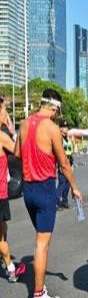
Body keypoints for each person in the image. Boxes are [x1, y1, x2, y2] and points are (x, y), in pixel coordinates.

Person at [14, 89, 83, 298]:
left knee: (40, 240)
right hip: (44, 189)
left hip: (28, 190)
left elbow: (16, 153)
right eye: (57, 112)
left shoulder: (24, 123)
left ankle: (40, 289)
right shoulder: (52, 128)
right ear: (55, 107)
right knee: (42, 244)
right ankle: (38, 297)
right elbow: (64, 164)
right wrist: (75, 188)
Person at [0, 99, 25, 282]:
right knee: (1, 235)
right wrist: (13, 131)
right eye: (4, 111)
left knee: (3, 227)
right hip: (0, 193)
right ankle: (11, 269)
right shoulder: (2, 137)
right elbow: (19, 152)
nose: (7, 114)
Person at [56, 121, 74, 209]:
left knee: (67, 183)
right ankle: (55, 201)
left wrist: (72, 165)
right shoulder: (59, 139)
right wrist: (59, 165)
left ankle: (64, 201)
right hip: (62, 164)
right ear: (60, 128)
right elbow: (58, 153)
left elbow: (70, 153)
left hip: (69, 164)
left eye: (67, 127)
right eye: (64, 127)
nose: (66, 129)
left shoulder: (68, 139)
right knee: (62, 183)